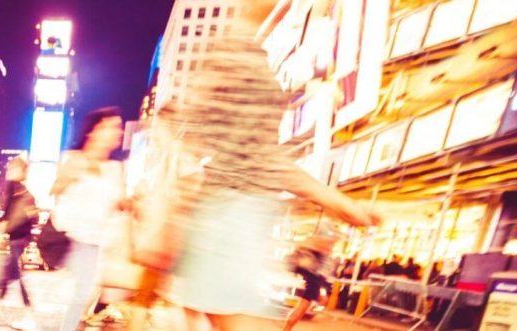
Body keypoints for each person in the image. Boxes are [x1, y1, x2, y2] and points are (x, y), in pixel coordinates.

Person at [139, 1, 382, 329]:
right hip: (230, 215)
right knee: (230, 318)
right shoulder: (234, 56)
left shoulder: (244, 53)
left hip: (234, 212)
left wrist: (341, 205)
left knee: (216, 316)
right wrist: (341, 205)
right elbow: (255, 156)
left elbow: (260, 156)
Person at [51, 106, 127, 331]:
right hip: (78, 241)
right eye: (112, 126)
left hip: (106, 245)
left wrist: (132, 203)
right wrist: (71, 178)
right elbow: (55, 193)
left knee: (91, 301)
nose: (119, 132)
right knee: (82, 296)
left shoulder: (116, 168)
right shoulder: (74, 160)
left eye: (120, 127)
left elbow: (120, 205)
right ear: (93, 131)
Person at [0, 156, 39, 330]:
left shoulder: (22, 193)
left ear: (22, 171)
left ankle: (27, 317)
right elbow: (7, 213)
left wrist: (5, 226)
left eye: (14, 169)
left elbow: (21, 218)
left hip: (18, 240)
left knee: (15, 277)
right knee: (8, 275)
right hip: (14, 239)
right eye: (10, 169)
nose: (10, 172)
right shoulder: (14, 190)